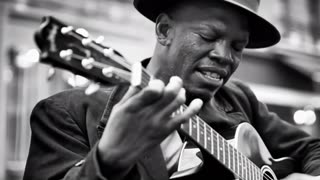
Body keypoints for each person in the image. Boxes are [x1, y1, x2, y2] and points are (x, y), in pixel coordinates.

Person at [23, 0, 320, 179]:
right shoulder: (66, 114)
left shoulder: (239, 99)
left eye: (238, 46)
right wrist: (108, 159)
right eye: (208, 36)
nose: (225, 55)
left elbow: (312, 148)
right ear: (164, 30)